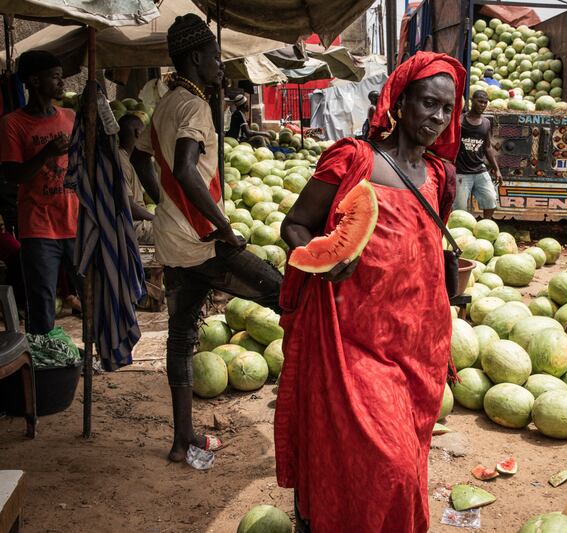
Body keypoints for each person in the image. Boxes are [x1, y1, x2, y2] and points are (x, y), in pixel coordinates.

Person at [276, 51, 465, 532]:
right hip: (352, 340)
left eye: (447, 108)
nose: (437, 118)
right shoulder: (353, 159)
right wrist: (325, 260)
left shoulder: (441, 176)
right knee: (391, 465)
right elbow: (294, 225)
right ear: (398, 103)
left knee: (402, 455)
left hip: (417, 346)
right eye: (427, 103)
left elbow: (427, 243)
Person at [131, 14, 283, 463]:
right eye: (216, 57)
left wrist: (166, 204)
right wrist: (222, 225)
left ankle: (182, 441)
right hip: (200, 239)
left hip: (172, 238)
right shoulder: (194, 107)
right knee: (282, 292)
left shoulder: (164, 103)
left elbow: (141, 159)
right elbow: (184, 168)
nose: (221, 65)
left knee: (180, 337)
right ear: (197, 57)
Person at [0, 50, 79, 335]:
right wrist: (46, 153)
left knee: (90, 291)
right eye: (55, 77)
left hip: (75, 222)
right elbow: (12, 174)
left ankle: (91, 355)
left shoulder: (71, 117)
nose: (61, 83)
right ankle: (44, 364)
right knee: (42, 300)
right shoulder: (13, 123)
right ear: (34, 81)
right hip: (38, 226)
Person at [454, 89, 502, 219]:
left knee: (491, 200)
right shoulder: (460, 121)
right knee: (459, 210)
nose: (483, 105)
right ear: (472, 101)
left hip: (479, 170)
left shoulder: (486, 123)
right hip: (461, 172)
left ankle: (486, 223)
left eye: (485, 102)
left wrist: (496, 169)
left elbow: (487, 147)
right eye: (480, 101)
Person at [117, 114, 155, 244]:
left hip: (136, 223)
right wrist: (156, 218)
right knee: (178, 233)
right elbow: (128, 207)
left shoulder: (126, 159)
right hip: (133, 226)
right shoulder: (120, 161)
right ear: (138, 133)